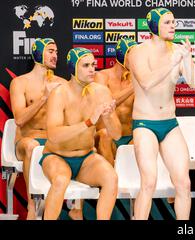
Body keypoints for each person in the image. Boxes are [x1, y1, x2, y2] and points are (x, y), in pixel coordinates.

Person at [127, 8, 195, 220]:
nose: (173, 26)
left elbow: (194, 83)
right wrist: (172, 62)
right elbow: (147, 82)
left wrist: (186, 58)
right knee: (149, 182)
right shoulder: (139, 51)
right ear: (154, 26)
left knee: (184, 183)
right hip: (145, 124)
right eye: (167, 22)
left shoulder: (176, 50)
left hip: (169, 123)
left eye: (174, 22)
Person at [41, 47, 121, 220]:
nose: (92, 69)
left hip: (86, 157)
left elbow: (116, 135)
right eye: (86, 65)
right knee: (61, 180)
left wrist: (107, 118)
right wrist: (88, 122)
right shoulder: (59, 93)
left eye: (93, 64)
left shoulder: (101, 92)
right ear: (73, 68)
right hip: (56, 156)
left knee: (111, 178)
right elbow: (53, 135)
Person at [9, 38, 66, 220]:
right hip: (26, 140)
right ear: (38, 53)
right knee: (32, 146)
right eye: (50, 51)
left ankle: (74, 207)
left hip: (52, 140)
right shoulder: (20, 83)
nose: (55, 55)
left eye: (56, 52)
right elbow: (19, 119)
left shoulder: (62, 83)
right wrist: (44, 97)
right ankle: (32, 205)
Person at [94, 38, 137, 165]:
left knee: (144, 136)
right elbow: (106, 104)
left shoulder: (135, 79)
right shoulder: (101, 76)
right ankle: (110, 180)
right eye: (133, 55)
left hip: (130, 138)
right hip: (108, 138)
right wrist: (133, 86)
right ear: (122, 54)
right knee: (104, 134)